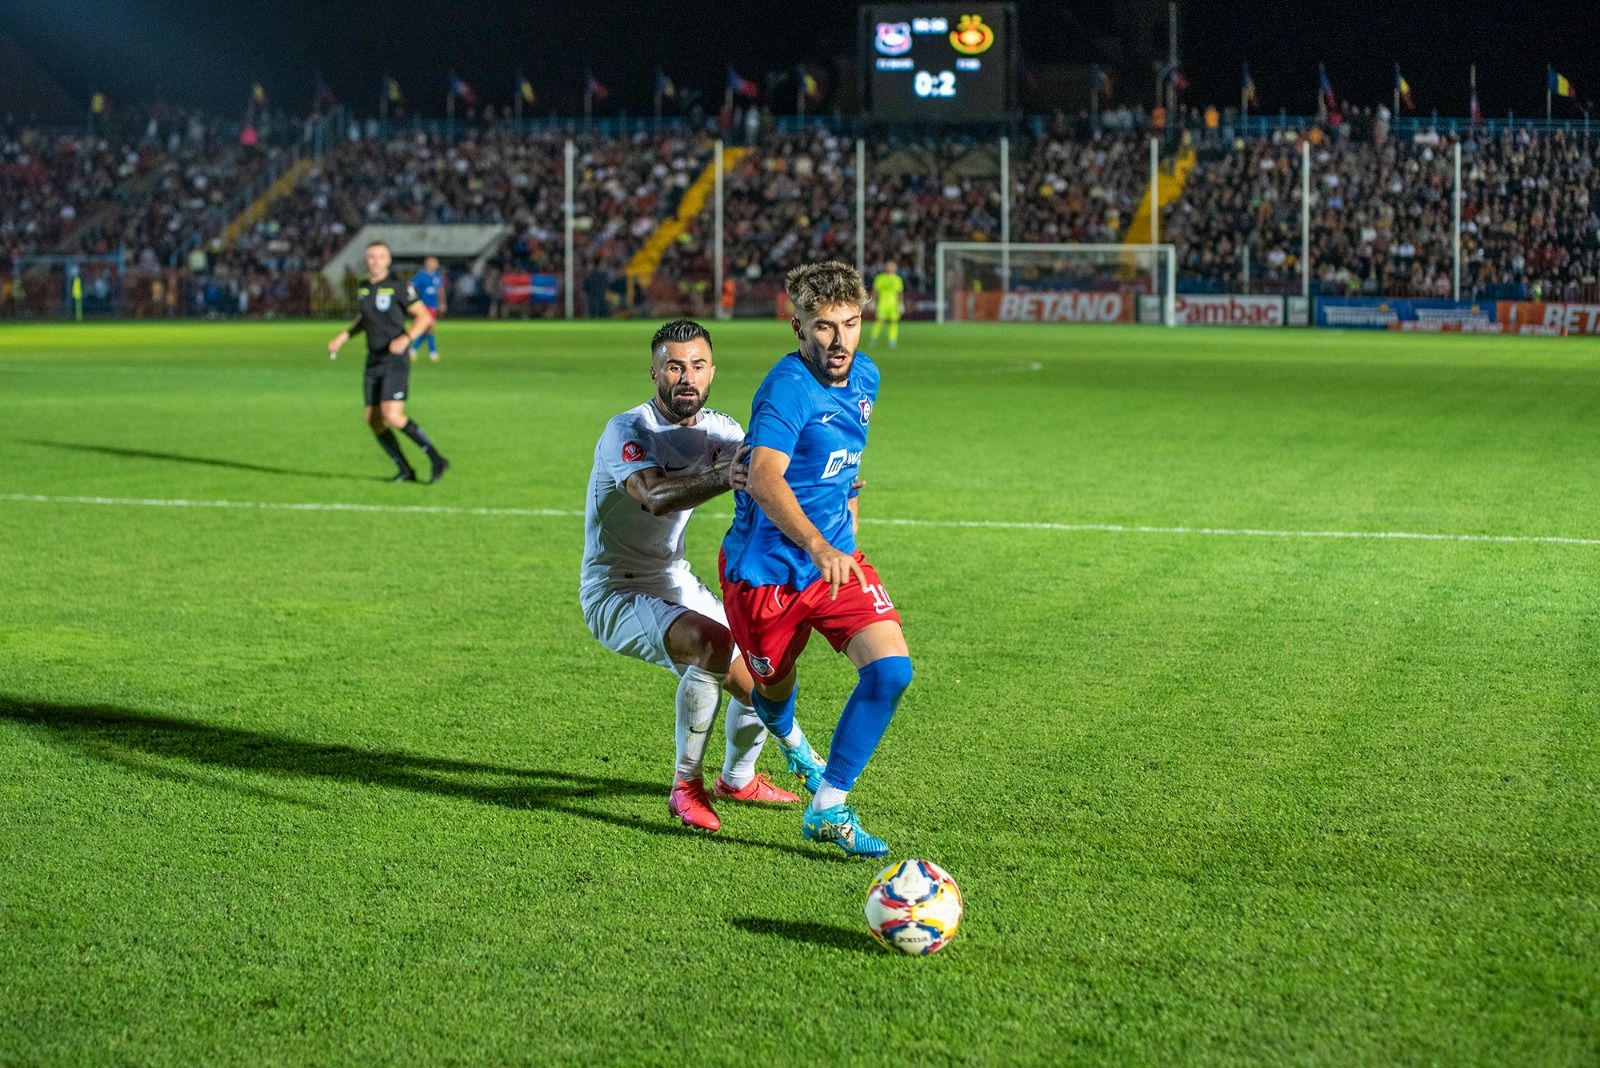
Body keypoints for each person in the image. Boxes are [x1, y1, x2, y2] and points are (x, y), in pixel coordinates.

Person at [719, 261, 912, 858]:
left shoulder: (867, 375)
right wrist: (818, 544)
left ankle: (828, 805)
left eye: (850, 324)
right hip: (765, 576)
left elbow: (847, 462)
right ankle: (796, 747)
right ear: (798, 326)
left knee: (891, 672)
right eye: (824, 326)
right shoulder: (787, 389)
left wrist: (845, 528)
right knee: (772, 691)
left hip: (835, 561)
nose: (839, 340)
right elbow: (764, 476)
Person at [582, 318, 802, 832]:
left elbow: (769, 473)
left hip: (672, 576)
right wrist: (726, 475)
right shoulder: (628, 430)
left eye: (697, 366)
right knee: (711, 643)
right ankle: (685, 787)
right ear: (654, 372)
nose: (687, 377)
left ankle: (738, 778)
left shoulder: (720, 431)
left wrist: (826, 484)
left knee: (763, 670)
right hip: (614, 588)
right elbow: (655, 496)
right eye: (674, 367)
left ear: (712, 372)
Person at [327, 241, 449, 483]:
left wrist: (407, 337)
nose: (376, 261)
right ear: (366, 260)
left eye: (381, 256)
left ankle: (436, 459)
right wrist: (344, 336)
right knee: (373, 420)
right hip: (374, 360)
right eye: (371, 257)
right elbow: (365, 319)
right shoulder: (363, 288)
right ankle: (405, 469)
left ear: (388, 260)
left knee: (392, 415)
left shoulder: (399, 287)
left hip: (395, 360)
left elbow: (424, 317)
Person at [409, 255, 445, 361]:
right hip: (424, 307)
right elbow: (411, 285)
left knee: (427, 330)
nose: (433, 265)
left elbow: (440, 290)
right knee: (429, 329)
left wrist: (442, 302)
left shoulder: (437, 276)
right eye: (431, 263)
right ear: (426, 264)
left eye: (435, 263)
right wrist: (412, 300)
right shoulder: (421, 276)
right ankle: (433, 352)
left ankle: (413, 350)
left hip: (433, 306)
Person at [868, 260, 904, 349]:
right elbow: (875, 291)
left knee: (894, 322)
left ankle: (892, 341)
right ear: (886, 267)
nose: (892, 268)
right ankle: (873, 339)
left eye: (893, 266)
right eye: (890, 266)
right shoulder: (880, 278)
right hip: (882, 304)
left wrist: (901, 303)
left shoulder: (897, 279)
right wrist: (873, 302)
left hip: (893, 305)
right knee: (879, 322)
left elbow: (900, 292)